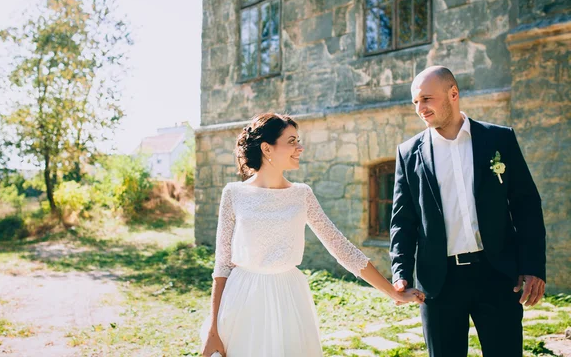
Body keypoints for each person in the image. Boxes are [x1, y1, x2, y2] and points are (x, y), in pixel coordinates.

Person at [201, 113, 424, 357]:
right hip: (243, 299)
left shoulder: (302, 195)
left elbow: (342, 248)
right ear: (267, 148)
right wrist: (213, 329)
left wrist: (391, 291)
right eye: (292, 141)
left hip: (289, 297)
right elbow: (222, 265)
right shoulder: (234, 194)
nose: (300, 147)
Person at [389, 66, 547, 356]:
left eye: (426, 99)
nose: (420, 109)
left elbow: (526, 205)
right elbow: (403, 220)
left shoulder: (499, 140)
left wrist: (533, 266)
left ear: (453, 94)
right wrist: (400, 272)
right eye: (415, 102)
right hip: (439, 282)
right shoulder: (408, 153)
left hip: (498, 274)